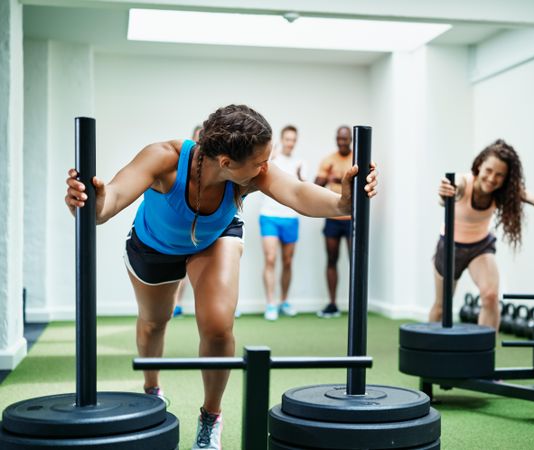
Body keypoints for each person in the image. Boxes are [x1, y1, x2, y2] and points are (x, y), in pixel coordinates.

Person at [64, 105, 378, 450]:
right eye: (259, 160)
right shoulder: (164, 159)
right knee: (155, 321)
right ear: (226, 162)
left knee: (216, 324)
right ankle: (152, 389)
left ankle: (210, 415)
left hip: (215, 239)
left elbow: (299, 193)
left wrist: (343, 202)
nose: (265, 167)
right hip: (154, 244)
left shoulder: (254, 174)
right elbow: (109, 203)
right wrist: (93, 202)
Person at [428, 139, 534, 330]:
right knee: (441, 306)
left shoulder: (504, 191)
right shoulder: (464, 182)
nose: (492, 178)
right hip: (450, 247)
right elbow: (451, 193)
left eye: (499, 175)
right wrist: (445, 193)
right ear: (479, 166)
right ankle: (430, 355)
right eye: (488, 171)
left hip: (480, 247)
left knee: (490, 296)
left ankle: (486, 355)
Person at [259, 125, 305, 321]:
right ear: (282, 139)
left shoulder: (300, 163)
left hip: (291, 218)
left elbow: (303, 188)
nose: (290, 143)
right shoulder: (271, 159)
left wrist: (301, 177)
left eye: (293, 139)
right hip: (269, 215)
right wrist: (271, 155)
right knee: (270, 259)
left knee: (287, 261)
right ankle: (270, 303)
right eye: (287, 139)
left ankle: (284, 301)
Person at [314, 126, 354, 318]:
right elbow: (316, 185)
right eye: (339, 138)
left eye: (345, 139)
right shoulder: (328, 160)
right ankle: (332, 304)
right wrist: (328, 178)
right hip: (332, 218)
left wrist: (339, 179)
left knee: (355, 261)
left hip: (352, 219)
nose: (342, 142)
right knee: (331, 259)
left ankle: (356, 303)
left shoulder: (357, 160)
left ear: (351, 140)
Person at [173, 125, 204, 318]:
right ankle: (175, 303)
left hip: (206, 223)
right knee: (179, 266)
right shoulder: (183, 163)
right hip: (184, 220)